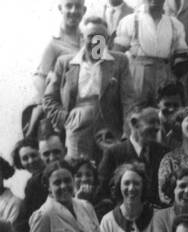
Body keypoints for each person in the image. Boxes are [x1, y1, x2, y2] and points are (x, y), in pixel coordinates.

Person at [43, 16, 130, 162]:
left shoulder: (119, 61)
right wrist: (66, 119)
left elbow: (130, 100)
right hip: (77, 131)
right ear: (82, 39)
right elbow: (49, 99)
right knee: (80, 172)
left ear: (108, 40)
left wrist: (127, 133)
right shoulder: (65, 63)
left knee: (108, 170)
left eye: (100, 37)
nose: (95, 41)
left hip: (110, 130)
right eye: (91, 36)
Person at [113, 0, 188, 115]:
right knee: (135, 118)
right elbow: (117, 56)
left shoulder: (175, 24)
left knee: (164, 118)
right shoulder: (129, 21)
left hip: (165, 78)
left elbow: (182, 59)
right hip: (136, 79)